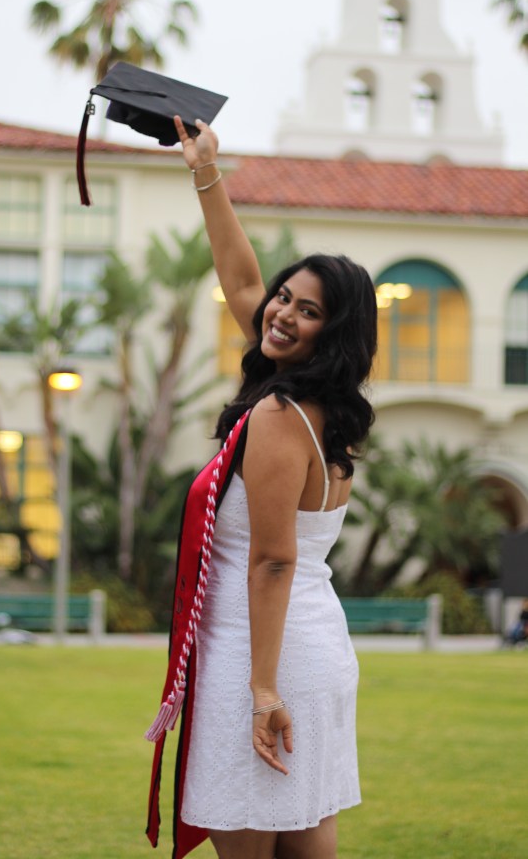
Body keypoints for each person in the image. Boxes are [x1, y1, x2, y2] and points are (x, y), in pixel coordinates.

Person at [145, 117, 377, 859]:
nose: (279, 312)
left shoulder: (279, 415)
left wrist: (262, 691)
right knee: (304, 845)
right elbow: (242, 280)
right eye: (285, 297)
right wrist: (205, 171)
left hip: (264, 658)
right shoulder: (318, 404)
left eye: (307, 311)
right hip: (303, 649)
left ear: (330, 334)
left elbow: (272, 560)